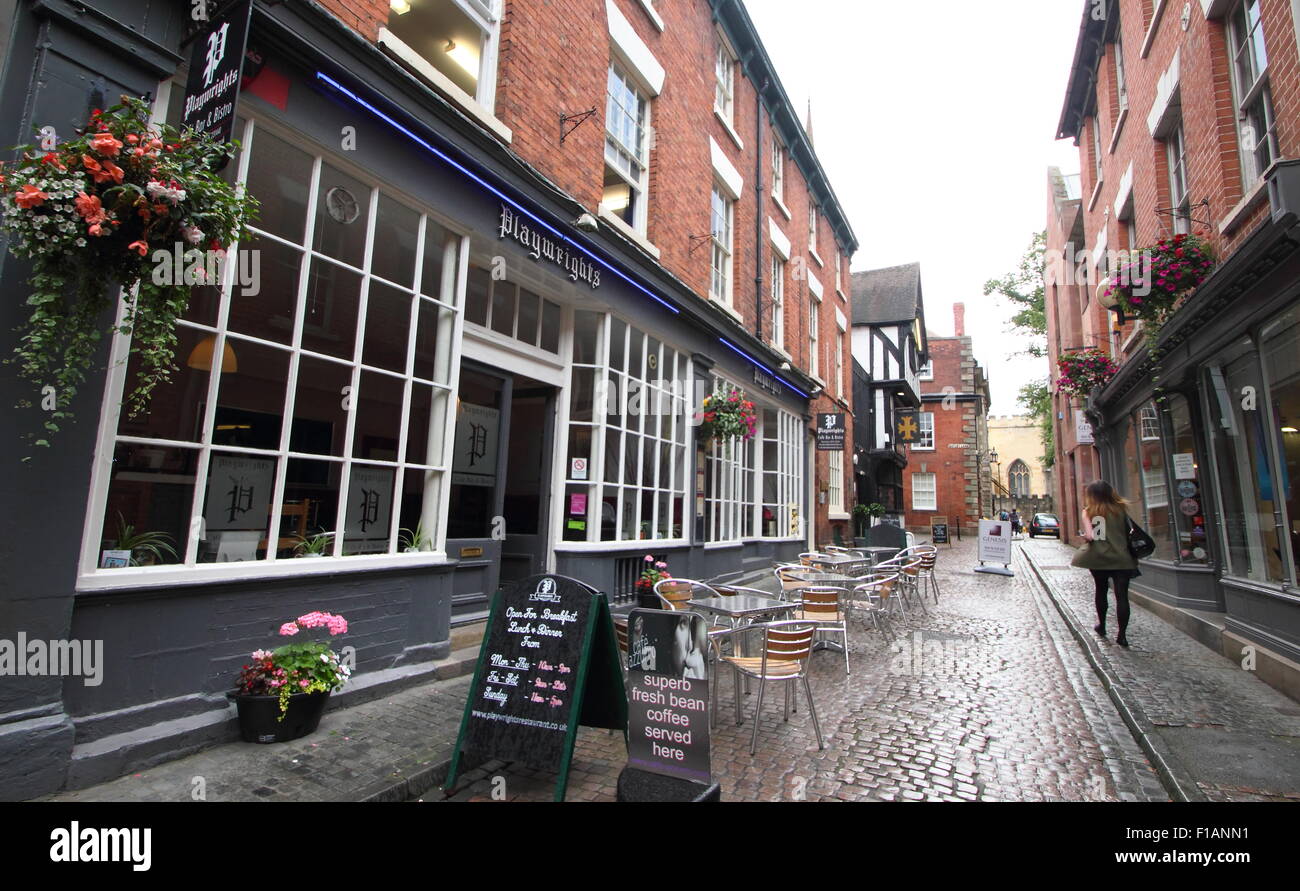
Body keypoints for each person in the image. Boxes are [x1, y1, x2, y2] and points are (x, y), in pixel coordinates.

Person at [1071, 480, 1140, 647]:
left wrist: (1085, 536)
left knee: (1101, 591)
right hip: (1122, 557)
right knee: (1122, 596)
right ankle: (1122, 636)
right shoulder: (1121, 509)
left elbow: (1090, 536)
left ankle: (1102, 626)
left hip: (1099, 557)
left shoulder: (1089, 512)